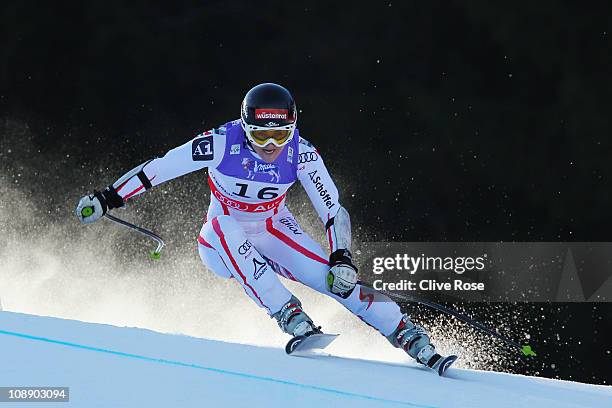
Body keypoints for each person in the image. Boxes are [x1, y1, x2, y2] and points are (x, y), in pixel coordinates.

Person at [75, 83, 452, 372]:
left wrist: (342, 258)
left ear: (292, 129)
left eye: (280, 136)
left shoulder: (301, 153)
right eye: (260, 136)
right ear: (245, 128)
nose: (270, 145)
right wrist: (107, 197)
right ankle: (288, 313)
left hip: (273, 231)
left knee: (334, 278)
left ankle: (407, 334)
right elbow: (158, 168)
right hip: (218, 243)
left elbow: (332, 209)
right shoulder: (220, 143)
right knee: (225, 223)